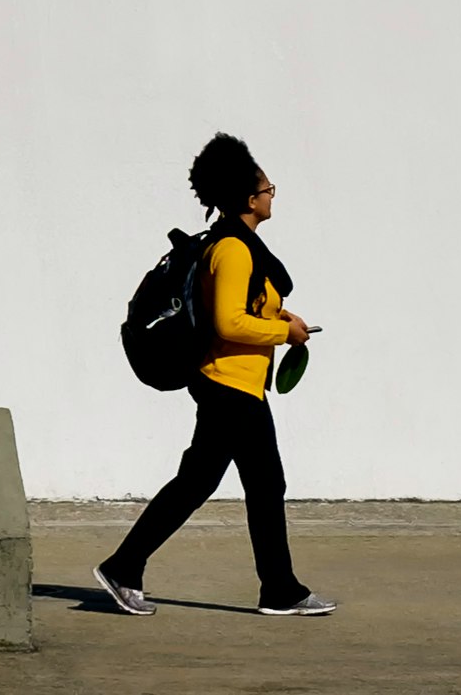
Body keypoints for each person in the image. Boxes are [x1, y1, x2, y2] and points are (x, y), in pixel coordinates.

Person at [94, 133, 336, 619]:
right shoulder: (233, 250)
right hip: (228, 384)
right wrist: (281, 335)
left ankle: (277, 588)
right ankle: (127, 567)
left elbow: (245, 307)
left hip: (238, 385)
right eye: (268, 190)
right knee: (228, 484)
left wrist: (283, 317)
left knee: (237, 483)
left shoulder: (240, 246)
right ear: (250, 200)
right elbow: (228, 321)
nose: (271, 196)